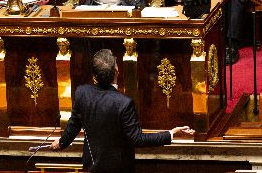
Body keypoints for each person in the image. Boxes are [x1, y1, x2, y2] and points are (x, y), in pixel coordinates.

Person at [50, 49, 194, 173]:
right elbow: (137, 139)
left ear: (94, 75)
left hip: (92, 166)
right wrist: (171, 134)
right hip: (119, 169)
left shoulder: (82, 93)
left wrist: (62, 143)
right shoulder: (124, 103)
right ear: (117, 71)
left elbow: (74, 125)